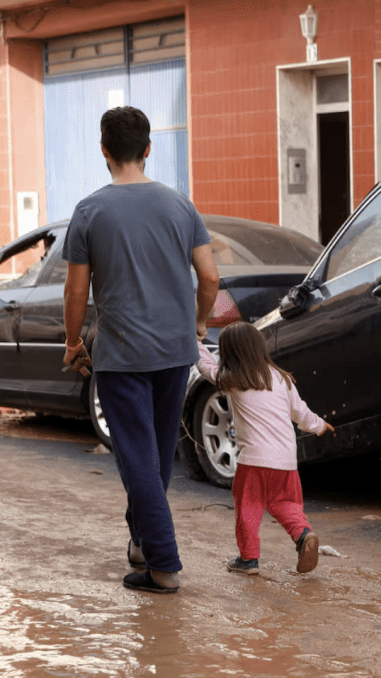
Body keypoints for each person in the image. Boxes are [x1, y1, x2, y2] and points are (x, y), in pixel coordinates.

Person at [62, 106, 220, 594]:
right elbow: (211, 278)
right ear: (148, 149)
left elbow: (76, 291)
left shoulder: (90, 211)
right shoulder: (180, 205)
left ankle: (165, 566)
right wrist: (196, 324)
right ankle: (140, 542)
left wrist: (72, 342)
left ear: (105, 151)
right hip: (175, 352)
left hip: (122, 354)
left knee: (136, 459)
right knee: (151, 458)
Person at [194, 321, 334, 575]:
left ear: (229, 353)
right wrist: (319, 425)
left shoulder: (234, 379)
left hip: (254, 462)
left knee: (248, 508)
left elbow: (206, 367)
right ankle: (303, 535)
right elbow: (300, 413)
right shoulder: (281, 378)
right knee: (286, 504)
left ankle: (248, 560)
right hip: (285, 462)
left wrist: (195, 342)